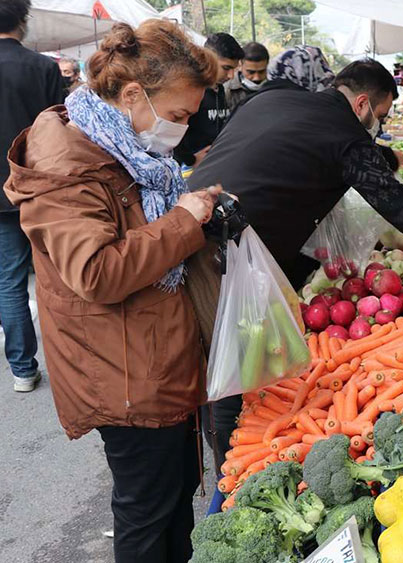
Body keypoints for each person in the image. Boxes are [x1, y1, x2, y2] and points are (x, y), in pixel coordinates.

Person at [4, 20, 220, 562]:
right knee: (147, 511)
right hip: (122, 370)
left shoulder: (120, 145)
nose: (182, 130)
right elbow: (96, 272)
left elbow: (137, 224)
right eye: (177, 116)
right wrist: (182, 222)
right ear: (131, 95)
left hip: (151, 354)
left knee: (170, 500)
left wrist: (193, 213)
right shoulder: (67, 164)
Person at [189, 58, 403, 468]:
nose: (378, 127)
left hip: (190, 220)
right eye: (381, 116)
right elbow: (394, 202)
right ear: (363, 104)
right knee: (235, 360)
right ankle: (236, 463)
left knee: (212, 355)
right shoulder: (345, 134)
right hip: (228, 250)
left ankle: (228, 445)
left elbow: (281, 152)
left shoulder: (277, 97)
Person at [0, 0, 63, 393]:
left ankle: (23, 369)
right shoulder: (43, 67)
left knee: (9, 280)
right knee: (57, 276)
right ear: (24, 21)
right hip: (38, 187)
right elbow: (57, 132)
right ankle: (72, 362)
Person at [173, 32, 243, 168]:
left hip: (213, 165)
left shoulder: (220, 90)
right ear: (207, 58)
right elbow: (172, 132)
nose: (231, 75)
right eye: (226, 68)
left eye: (234, 69)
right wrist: (190, 160)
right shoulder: (189, 89)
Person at [225, 41, 268, 109]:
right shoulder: (227, 89)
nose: (256, 78)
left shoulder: (276, 88)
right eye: (251, 72)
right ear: (240, 66)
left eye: (261, 72)